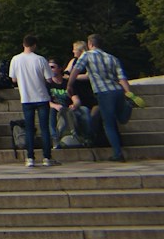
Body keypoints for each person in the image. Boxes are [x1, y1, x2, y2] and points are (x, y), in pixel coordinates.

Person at [71, 33, 135, 162]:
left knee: (109, 124)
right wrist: (129, 93)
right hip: (117, 90)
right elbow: (122, 78)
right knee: (120, 119)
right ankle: (127, 106)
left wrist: (69, 84)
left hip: (104, 92)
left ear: (90, 44)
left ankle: (117, 153)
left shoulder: (87, 55)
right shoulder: (112, 58)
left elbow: (76, 70)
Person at [9, 34, 57, 167]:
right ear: (34, 45)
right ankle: (47, 157)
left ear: (23, 44)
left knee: (29, 128)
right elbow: (49, 79)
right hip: (41, 96)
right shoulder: (41, 60)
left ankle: (30, 157)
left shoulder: (15, 59)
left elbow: (13, 78)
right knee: (44, 128)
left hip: (26, 97)